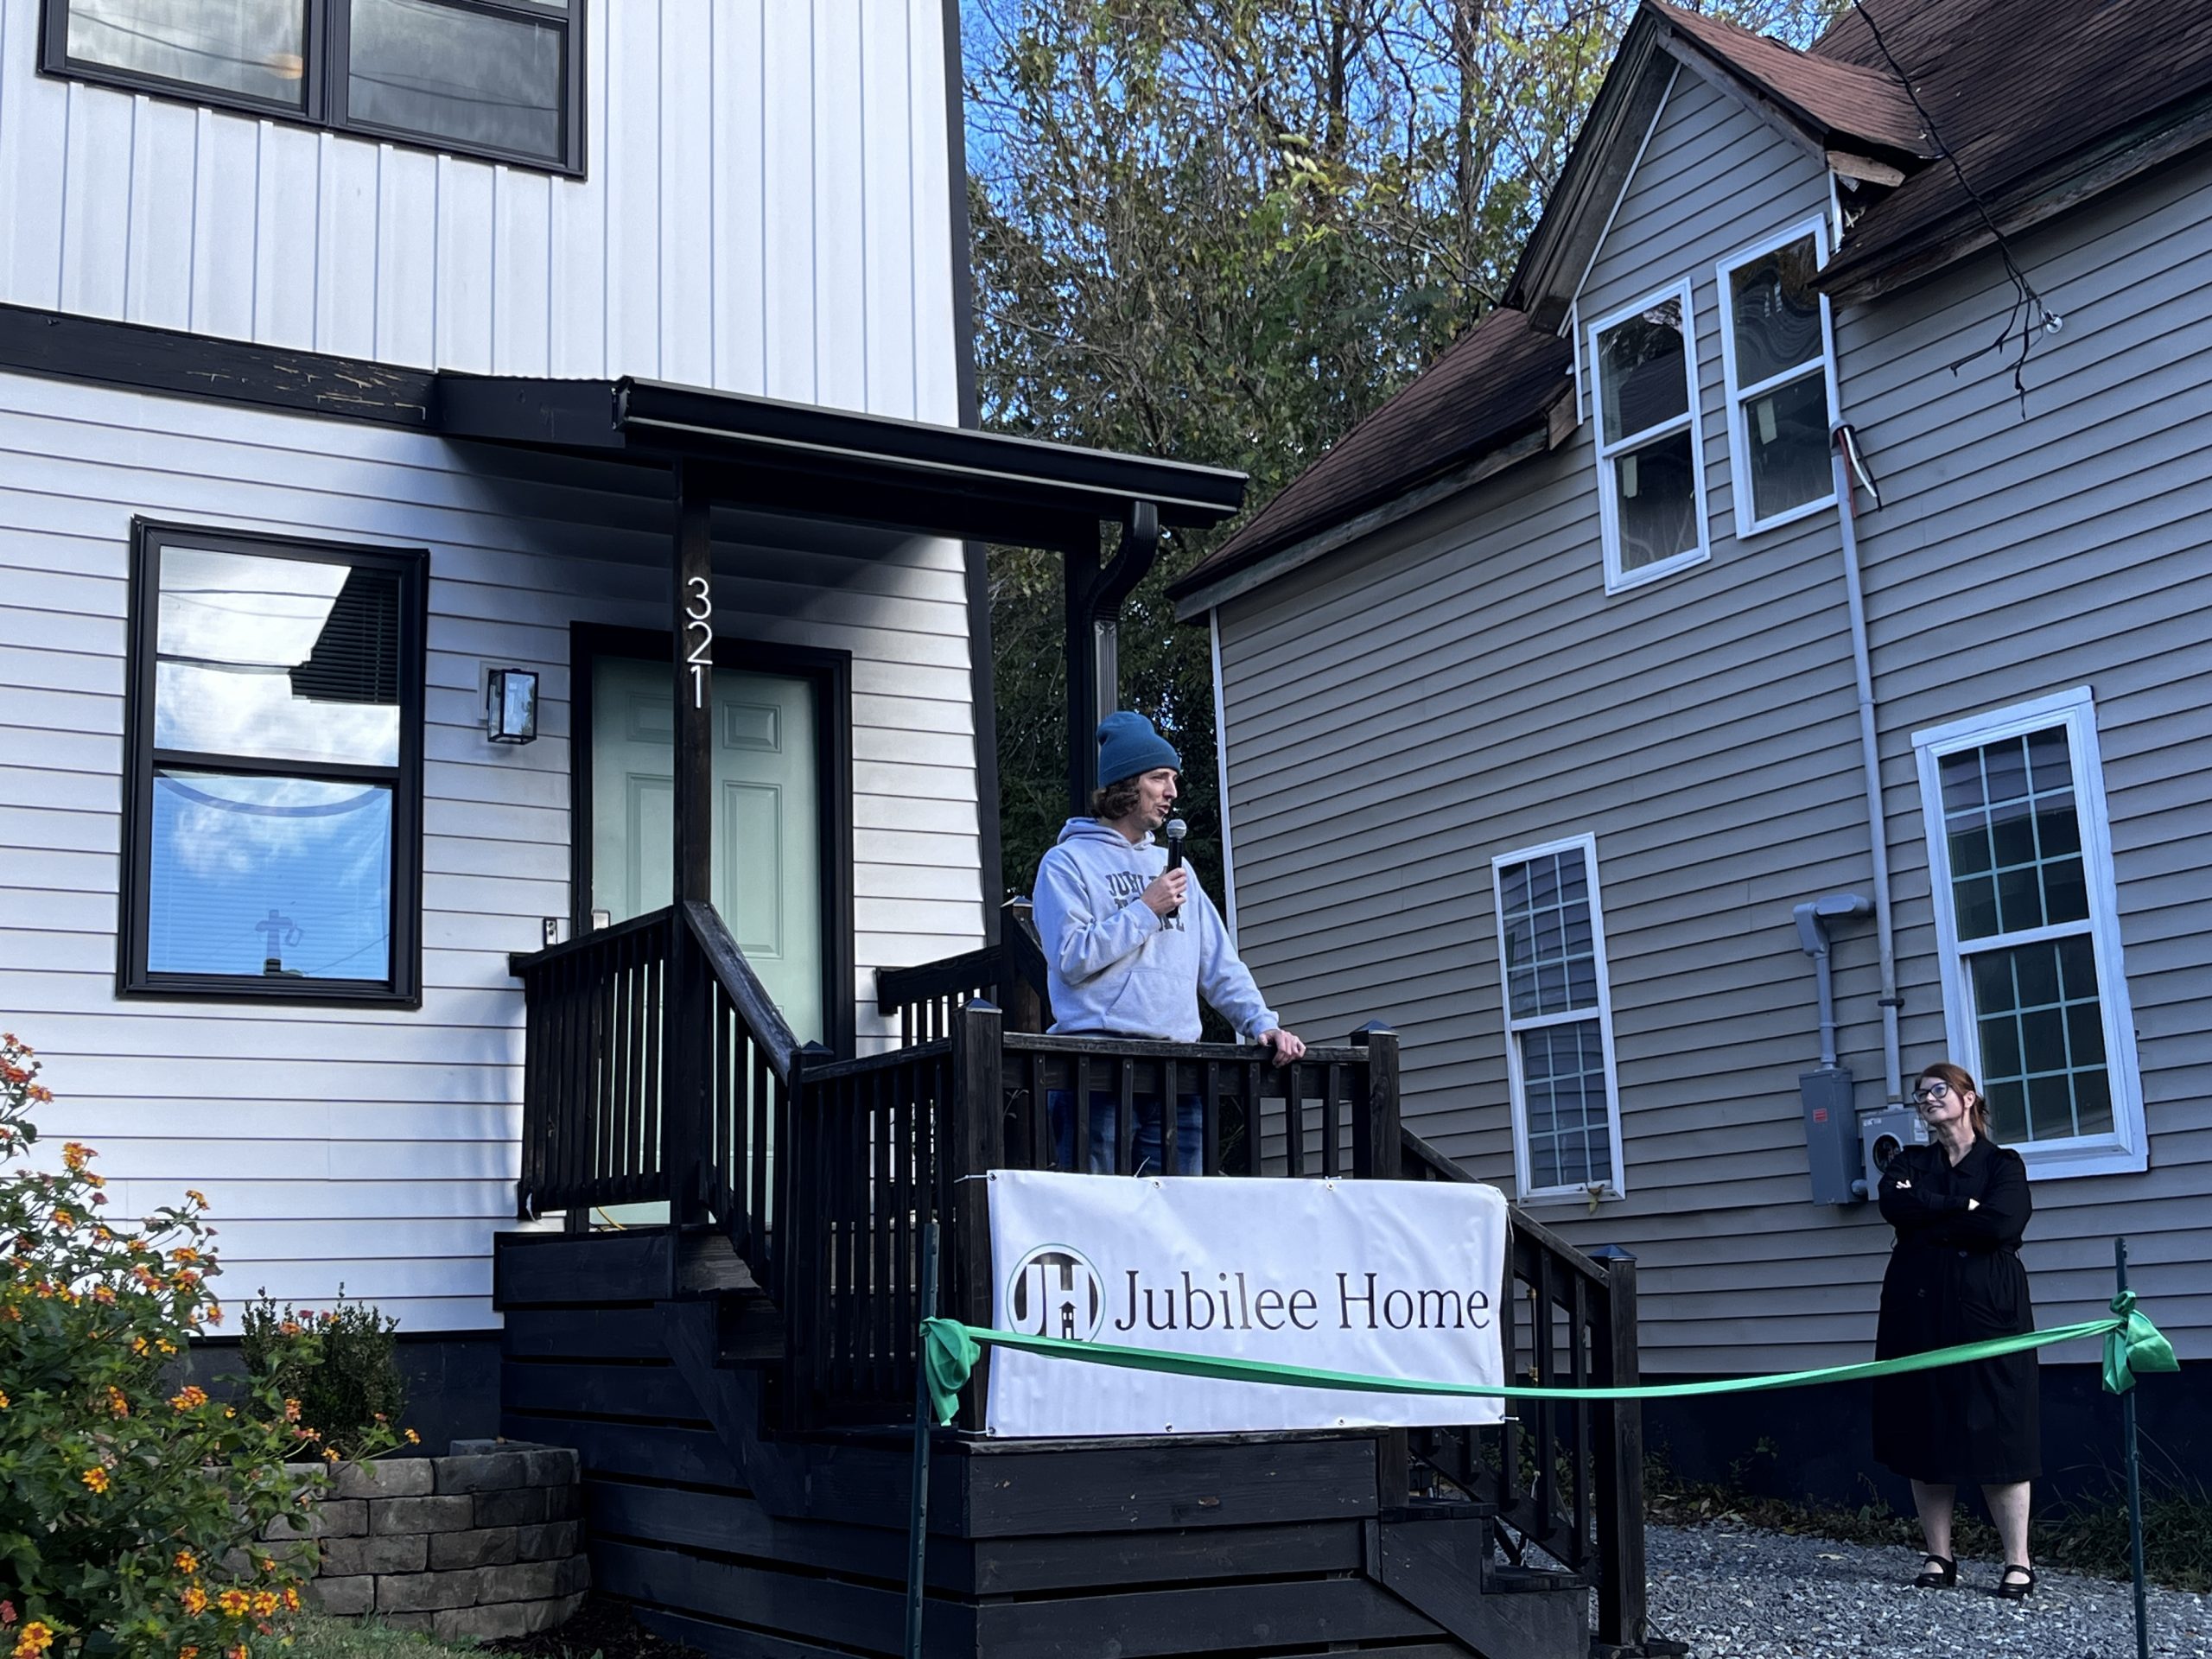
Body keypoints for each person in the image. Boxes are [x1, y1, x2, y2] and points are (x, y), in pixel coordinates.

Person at [1031, 711, 1304, 1174]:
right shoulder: (1066, 864)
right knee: (1097, 1217)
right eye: (1159, 778)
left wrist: (1261, 1022)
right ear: (1123, 785)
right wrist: (1144, 909)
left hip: (1179, 1069)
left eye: (1174, 779)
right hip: (1095, 1067)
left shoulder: (1177, 868)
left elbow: (1217, 963)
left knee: (1174, 1223)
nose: (1172, 792)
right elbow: (1070, 959)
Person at [1872, 1061, 2039, 1599]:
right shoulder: (1909, 1161)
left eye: (1939, 1090)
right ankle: (1939, 1556)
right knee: (1926, 1428)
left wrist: (1931, 1222)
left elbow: (2002, 1224)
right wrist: (1957, 1206)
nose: (1927, 1100)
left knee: (2000, 1428)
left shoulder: (2003, 1164)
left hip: (1989, 1310)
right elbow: (1894, 1205)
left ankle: (2018, 1560)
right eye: (1920, 1094)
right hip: (1917, 1311)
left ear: (1969, 1098)